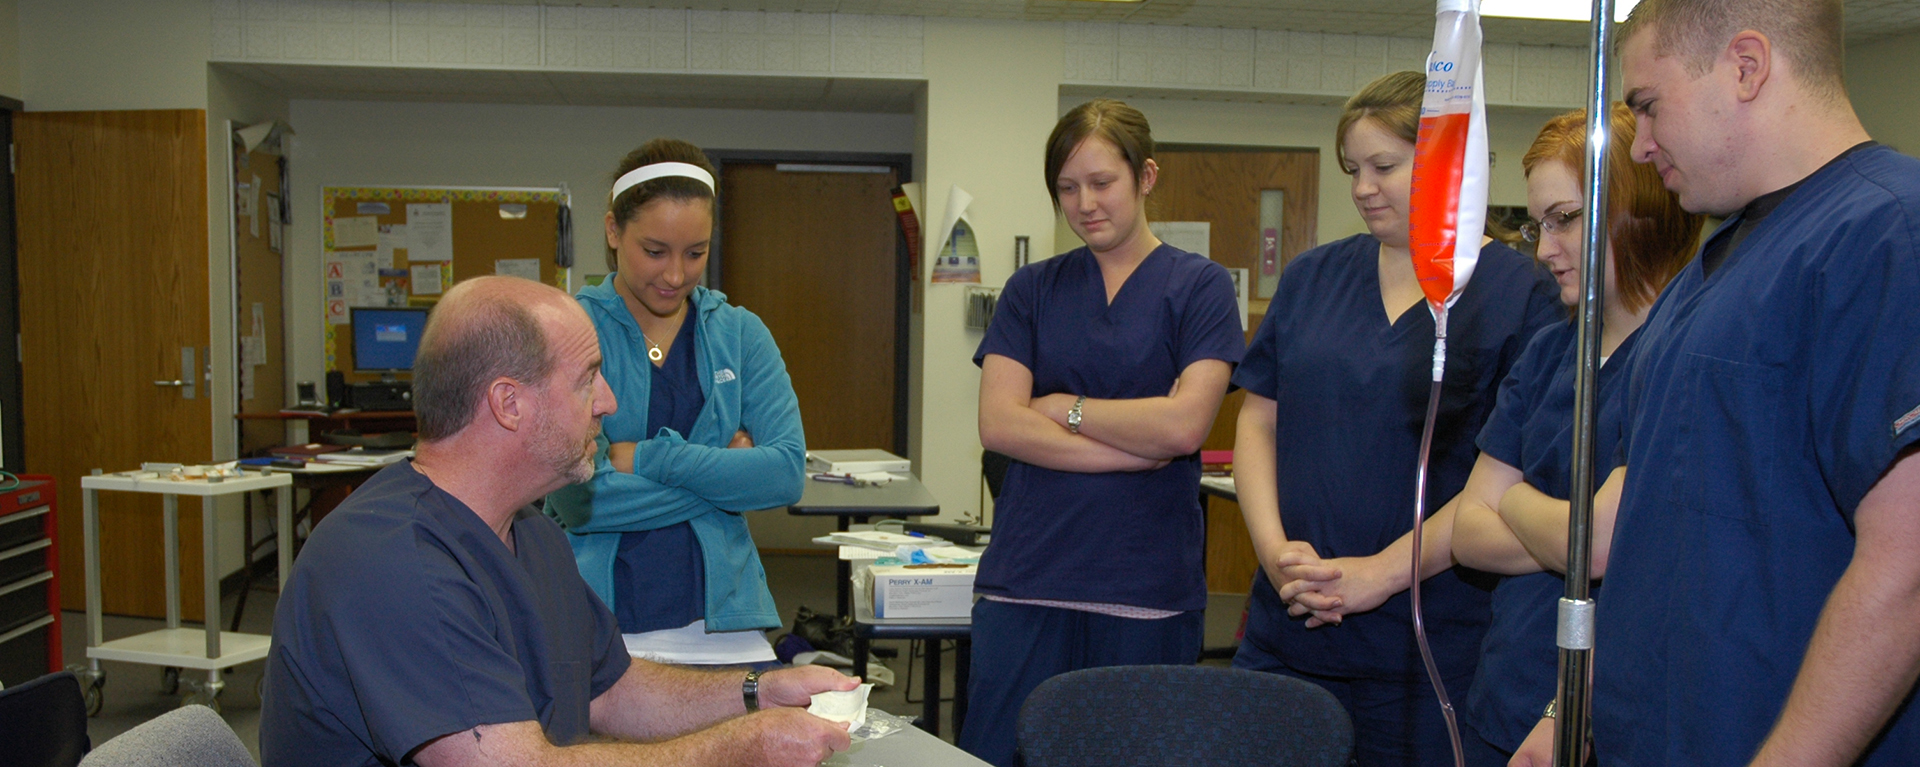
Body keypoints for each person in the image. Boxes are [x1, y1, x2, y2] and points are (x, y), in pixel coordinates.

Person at [1502, 1, 1920, 765]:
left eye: (1650, 108)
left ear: (1747, 66)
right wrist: (1574, 703)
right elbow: (1659, 534)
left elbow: (1907, 570)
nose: (1646, 143)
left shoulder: (1889, 232)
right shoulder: (1712, 270)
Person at [261, 276, 856, 767]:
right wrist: (735, 749)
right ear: (508, 404)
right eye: (586, 380)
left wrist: (757, 691)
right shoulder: (396, 563)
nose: (609, 402)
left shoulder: (530, 533)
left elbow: (611, 688)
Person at [1229, 70, 1561, 766]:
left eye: (1384, 165)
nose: (1361, 187)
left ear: (1452, 166)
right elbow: (1260, 419)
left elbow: (1503, 475)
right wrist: (1274, 550)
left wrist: (1380, 574)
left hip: (1425, 644)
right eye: (1353, 168)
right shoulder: (1314, 276)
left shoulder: (1517, 292)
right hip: (1291, 625)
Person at [961, 98, 1244, 767]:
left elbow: (1183, 425)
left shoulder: (1199, 288)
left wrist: (1066, 407)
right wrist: (1128, 453)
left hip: (1142, 588)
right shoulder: (1032, 290)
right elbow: (1000, 422)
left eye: (1101, 182)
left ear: (1146, 176)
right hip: (1026, 579)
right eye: (1066, 187)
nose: (1084, 203)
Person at [1447, 104, 1700, 765]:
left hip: (1604, 719)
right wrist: (1569, 527)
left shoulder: (1684, 353)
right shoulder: (1549, 354)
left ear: (1636, 207)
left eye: (1567, 220)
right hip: (1508, 692)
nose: (1545, 248)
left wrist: (1514, 499)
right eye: (1538, 225)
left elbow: (1596, 547)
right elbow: (1467, 533)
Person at [544, 139, 805, 667]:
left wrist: (643, 458)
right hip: (598, 619)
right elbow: (580, 502)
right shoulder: (569, 331)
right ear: (613, 230)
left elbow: (784, 474)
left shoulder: (740, 334)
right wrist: (726, 479)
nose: (675, 276)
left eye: (696, 253)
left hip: (724, 620)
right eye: (655, 250)